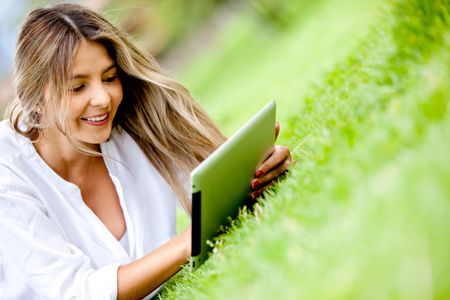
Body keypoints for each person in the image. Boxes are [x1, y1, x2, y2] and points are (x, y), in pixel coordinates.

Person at [0, 3, 293, 299]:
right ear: (34, 99)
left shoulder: (133, 124)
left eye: (110, 77)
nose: (102, 98)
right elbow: (74, 292)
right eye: (78, 87)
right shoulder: (8, 173)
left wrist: (257, 172)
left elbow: (218, 190)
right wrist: (187, 244)